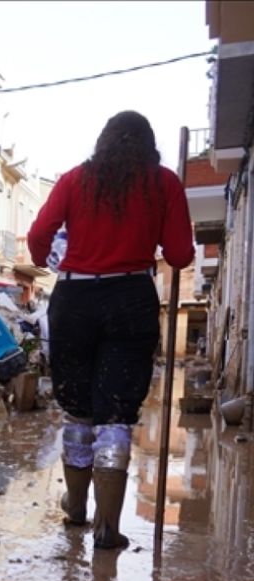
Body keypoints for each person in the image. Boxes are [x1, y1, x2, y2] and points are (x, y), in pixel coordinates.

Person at [28, 110, 194, 550]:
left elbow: (38, 234)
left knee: (79, 410)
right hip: (132, 300)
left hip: (75, 299)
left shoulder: (73, 180)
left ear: (102, 143)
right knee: (116, 413)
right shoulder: (164, 182)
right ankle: (107, 526)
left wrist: (57, 262)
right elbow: (179, 255)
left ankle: (77, 507)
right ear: (149, 145)